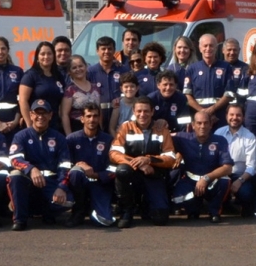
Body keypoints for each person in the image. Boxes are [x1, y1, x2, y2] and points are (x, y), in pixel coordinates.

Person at [110, 96, 180, 228]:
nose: (142, 114)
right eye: (139, 111)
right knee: (121, 171)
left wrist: (149, 160)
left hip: (154, 175)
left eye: (146, 111)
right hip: (133, 173)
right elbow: (114, 153)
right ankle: (127, 211)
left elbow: (170, 158)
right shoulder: (125, 127)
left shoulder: (162, 130)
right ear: (133, 111)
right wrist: (139, 164)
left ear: (152, 112)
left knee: (161, 219)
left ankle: (145, 205)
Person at [7, 99, 71, 231]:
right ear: (31, 115)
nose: (40, 117)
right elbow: (14, 159)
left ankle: (47, 212)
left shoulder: (59, 138)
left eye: (44, 113)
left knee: (68, 202)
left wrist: (61, 187)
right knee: (15, 176)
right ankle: (20, 219)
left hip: (50, 182)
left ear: (50, 115)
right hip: (29, 181)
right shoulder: (21, 136)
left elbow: (65, 166)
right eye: (37, 113)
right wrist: (31, 169)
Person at [172, 111, 233, 223]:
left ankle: (214, 211)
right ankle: (194, 209)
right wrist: (178, 152)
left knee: (225, 180)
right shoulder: (182, 138)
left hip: (211, 181)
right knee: (178, 198)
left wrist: (207, 178)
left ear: (211, 124)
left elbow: (228, 167)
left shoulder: (220, 140)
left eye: (205, 123)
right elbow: (165, 136)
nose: (202, 126)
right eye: (199, 123)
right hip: (190, 179)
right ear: (193, 125)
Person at [64, 102, 116, 227]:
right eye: (88, 116)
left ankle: (95, 207)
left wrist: (96, 175)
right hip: (78, 183)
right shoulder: (71, 139)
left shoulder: (108, 140)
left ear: (99, 118)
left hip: (100, 183)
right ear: (82, 119)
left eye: (95, 116)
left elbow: (114, 168)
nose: (92, 119)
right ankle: (78, 211)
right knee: (76, 172)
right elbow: (64, 166)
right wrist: (79, 166)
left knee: (105, 221)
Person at [184, 33, 236, 126]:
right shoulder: (192, 69)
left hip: (219, 117)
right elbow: (188, 96)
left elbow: (229, 94)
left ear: (216, 48)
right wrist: (204, 113)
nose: (208, 48)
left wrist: (212, 110)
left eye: (211, 46)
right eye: (205, 46)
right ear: (200, 48)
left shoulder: (226, 67)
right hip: (199, 119)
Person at [215, 104, 256, 216]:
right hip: (221, 174)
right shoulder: (218, 133)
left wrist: (240, 181)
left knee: (246, 194)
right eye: (231, 114)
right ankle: (224, 205)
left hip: (239, 176)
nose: (234, 118)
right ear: (226, 116)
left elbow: (252, 167)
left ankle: (245, 206)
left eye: (238, 115)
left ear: (243, 118)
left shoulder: (249, 137)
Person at [18, 40, 68, 132]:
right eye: (42, 54)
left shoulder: (58, 76)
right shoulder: (30, 75)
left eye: (49, 54)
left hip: (54, 125)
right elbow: (23, 101)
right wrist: (30, 125)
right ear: (37, 57)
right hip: (36, 125)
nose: (46, 57)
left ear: (53, 56)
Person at [87, 36, 126, 129]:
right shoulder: (90, 72)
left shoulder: (123, 70)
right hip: (97, 117)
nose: (106, 51)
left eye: (109, 48)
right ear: (97, 51)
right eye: (103, 49)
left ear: (114, 50)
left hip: (119, 115)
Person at [62, 54, 102, 134]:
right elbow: (64, 115)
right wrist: (69, 136)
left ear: (86, 67)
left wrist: (101, 129)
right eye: (74, 68)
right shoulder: (70, 90)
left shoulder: (95, 87)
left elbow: (99, 111)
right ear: (69, 72)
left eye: (80, 66)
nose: (78, 69)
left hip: (95, 129)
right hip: (77, 129)